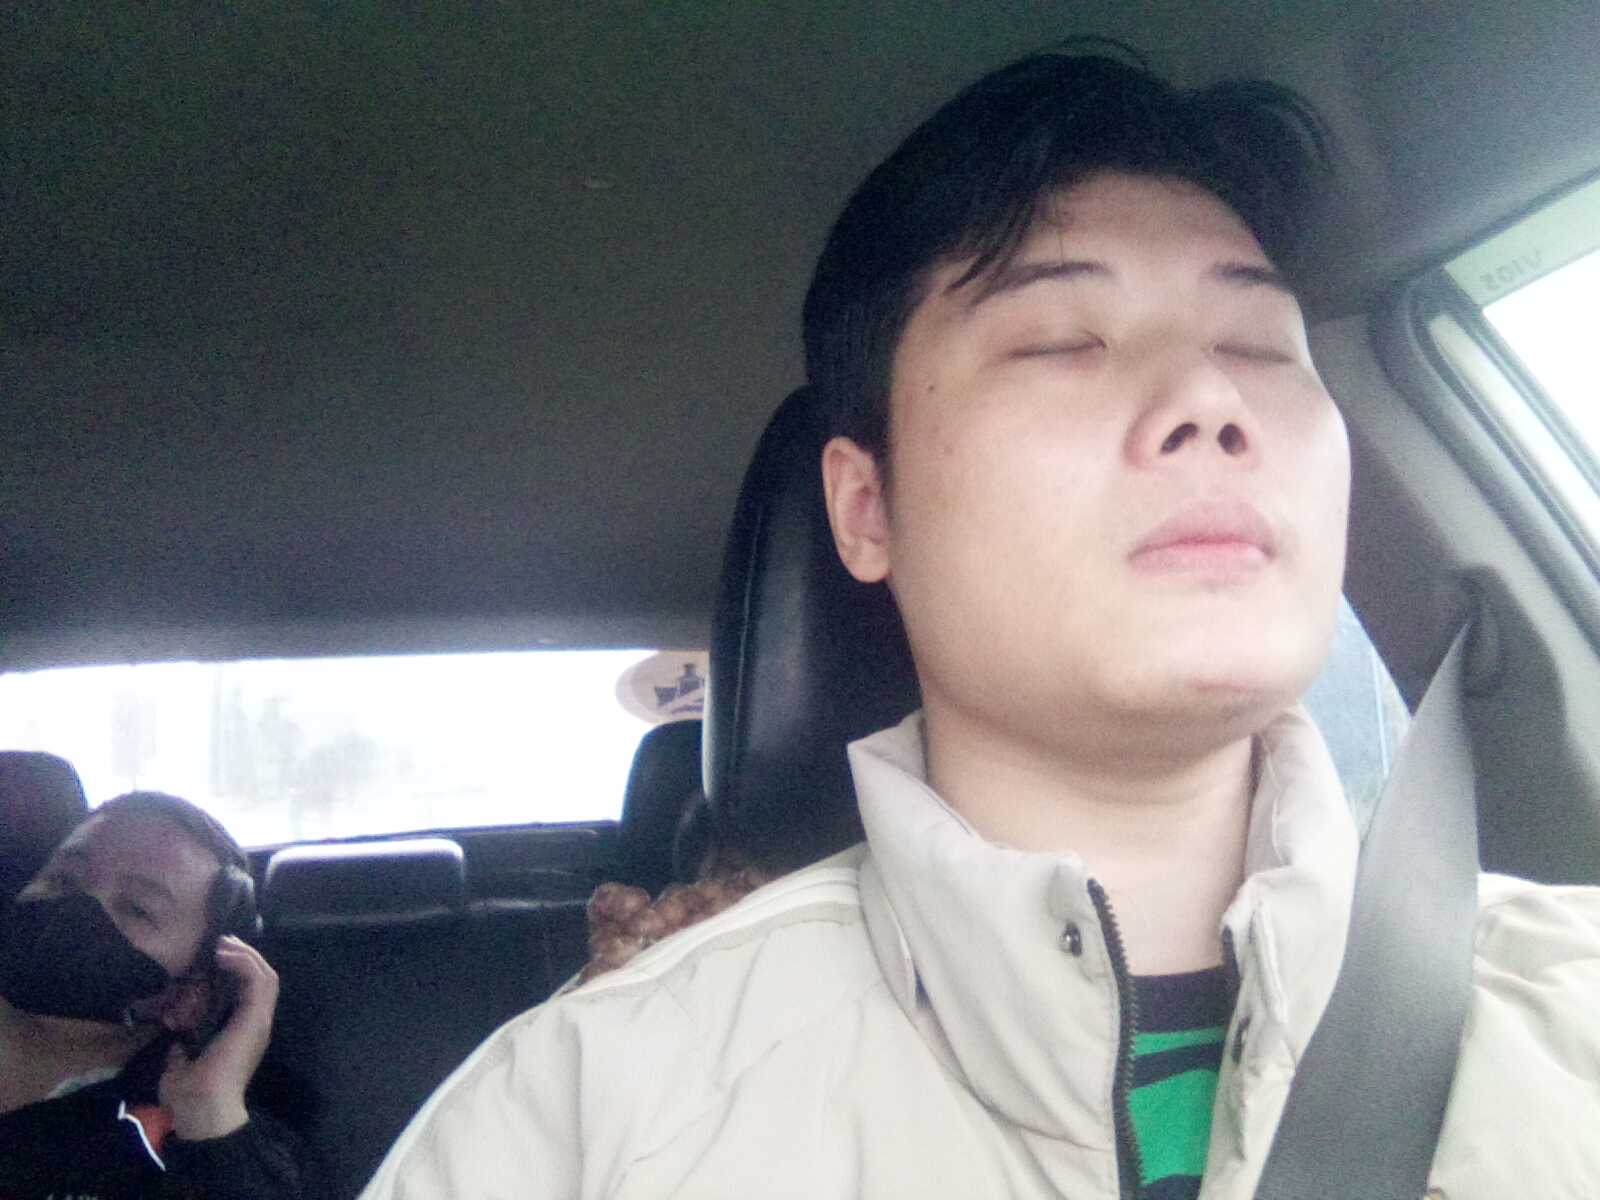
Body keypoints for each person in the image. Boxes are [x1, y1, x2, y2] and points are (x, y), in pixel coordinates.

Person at [359, 49, 1600, 1199]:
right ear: (866, 509)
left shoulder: (1569, 1007)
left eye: (1258, 342)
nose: (1210, 394)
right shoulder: (578, 1127)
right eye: (1062, 343)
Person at [0, 789, 316, 1198]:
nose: (74, 906)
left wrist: (209, 1113)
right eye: (63, 879)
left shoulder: (184, 1145)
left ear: (188, 998)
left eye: (137, 908)